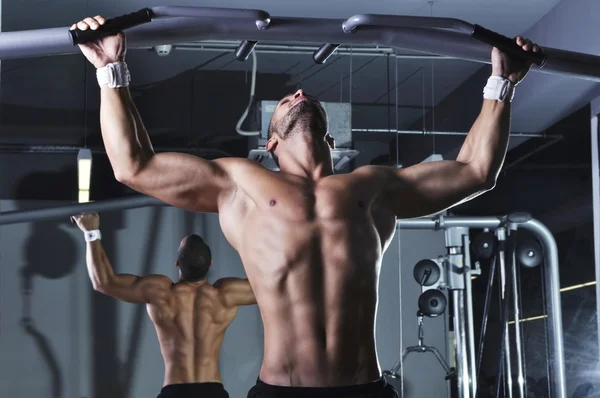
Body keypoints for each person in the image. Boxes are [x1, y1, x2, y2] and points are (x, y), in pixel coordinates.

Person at [72, 14, 540, 397]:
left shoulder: (373, 188)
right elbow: (133, 166)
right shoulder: (241, 184)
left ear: (331, 138)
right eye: (287, 98)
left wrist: (501, 83)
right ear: (270, 142)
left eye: (303, 96)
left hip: (365, 389)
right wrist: (109, 69)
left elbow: (477, 172)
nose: (299, 93)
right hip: (282, 391)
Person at [71, 213, 256, 398]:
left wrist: (91, 232)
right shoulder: (226, 295)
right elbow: (273, 285)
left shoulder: (160, 292)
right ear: (210, 263)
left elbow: (103, 282)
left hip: (175, 390)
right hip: (211, 392)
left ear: (177, 263)